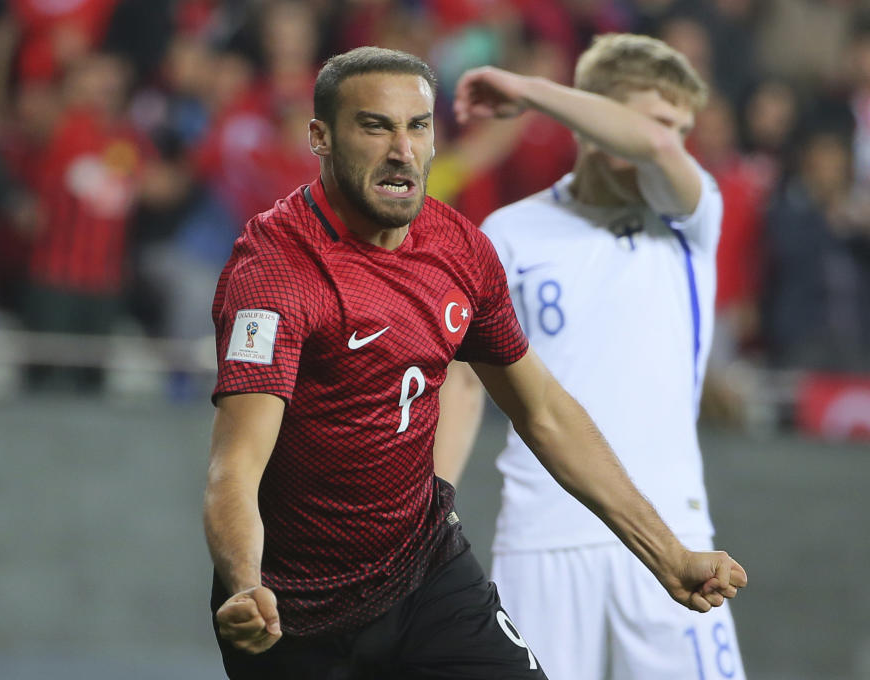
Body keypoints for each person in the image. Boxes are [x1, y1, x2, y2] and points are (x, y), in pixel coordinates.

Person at [204, 45, 746, 680]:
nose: (402, 150)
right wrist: (244, 583)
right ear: (320, 137)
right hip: (292, 608)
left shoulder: (460, 249)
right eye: (375, 126)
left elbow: (541, 410)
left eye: (418, 126)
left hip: (425, 572)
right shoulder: (277, 274)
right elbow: (234, 466)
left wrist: (670, 558)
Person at [436, 34, 747, 680]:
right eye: (655, 119)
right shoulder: (510, 234)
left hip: (677, 534)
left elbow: (657, 150)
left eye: (685, 128)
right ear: (597, 116)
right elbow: (464, 384)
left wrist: (527, 92)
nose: (671, 141)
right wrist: (430, 503)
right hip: (540, 537)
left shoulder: (691, 218)